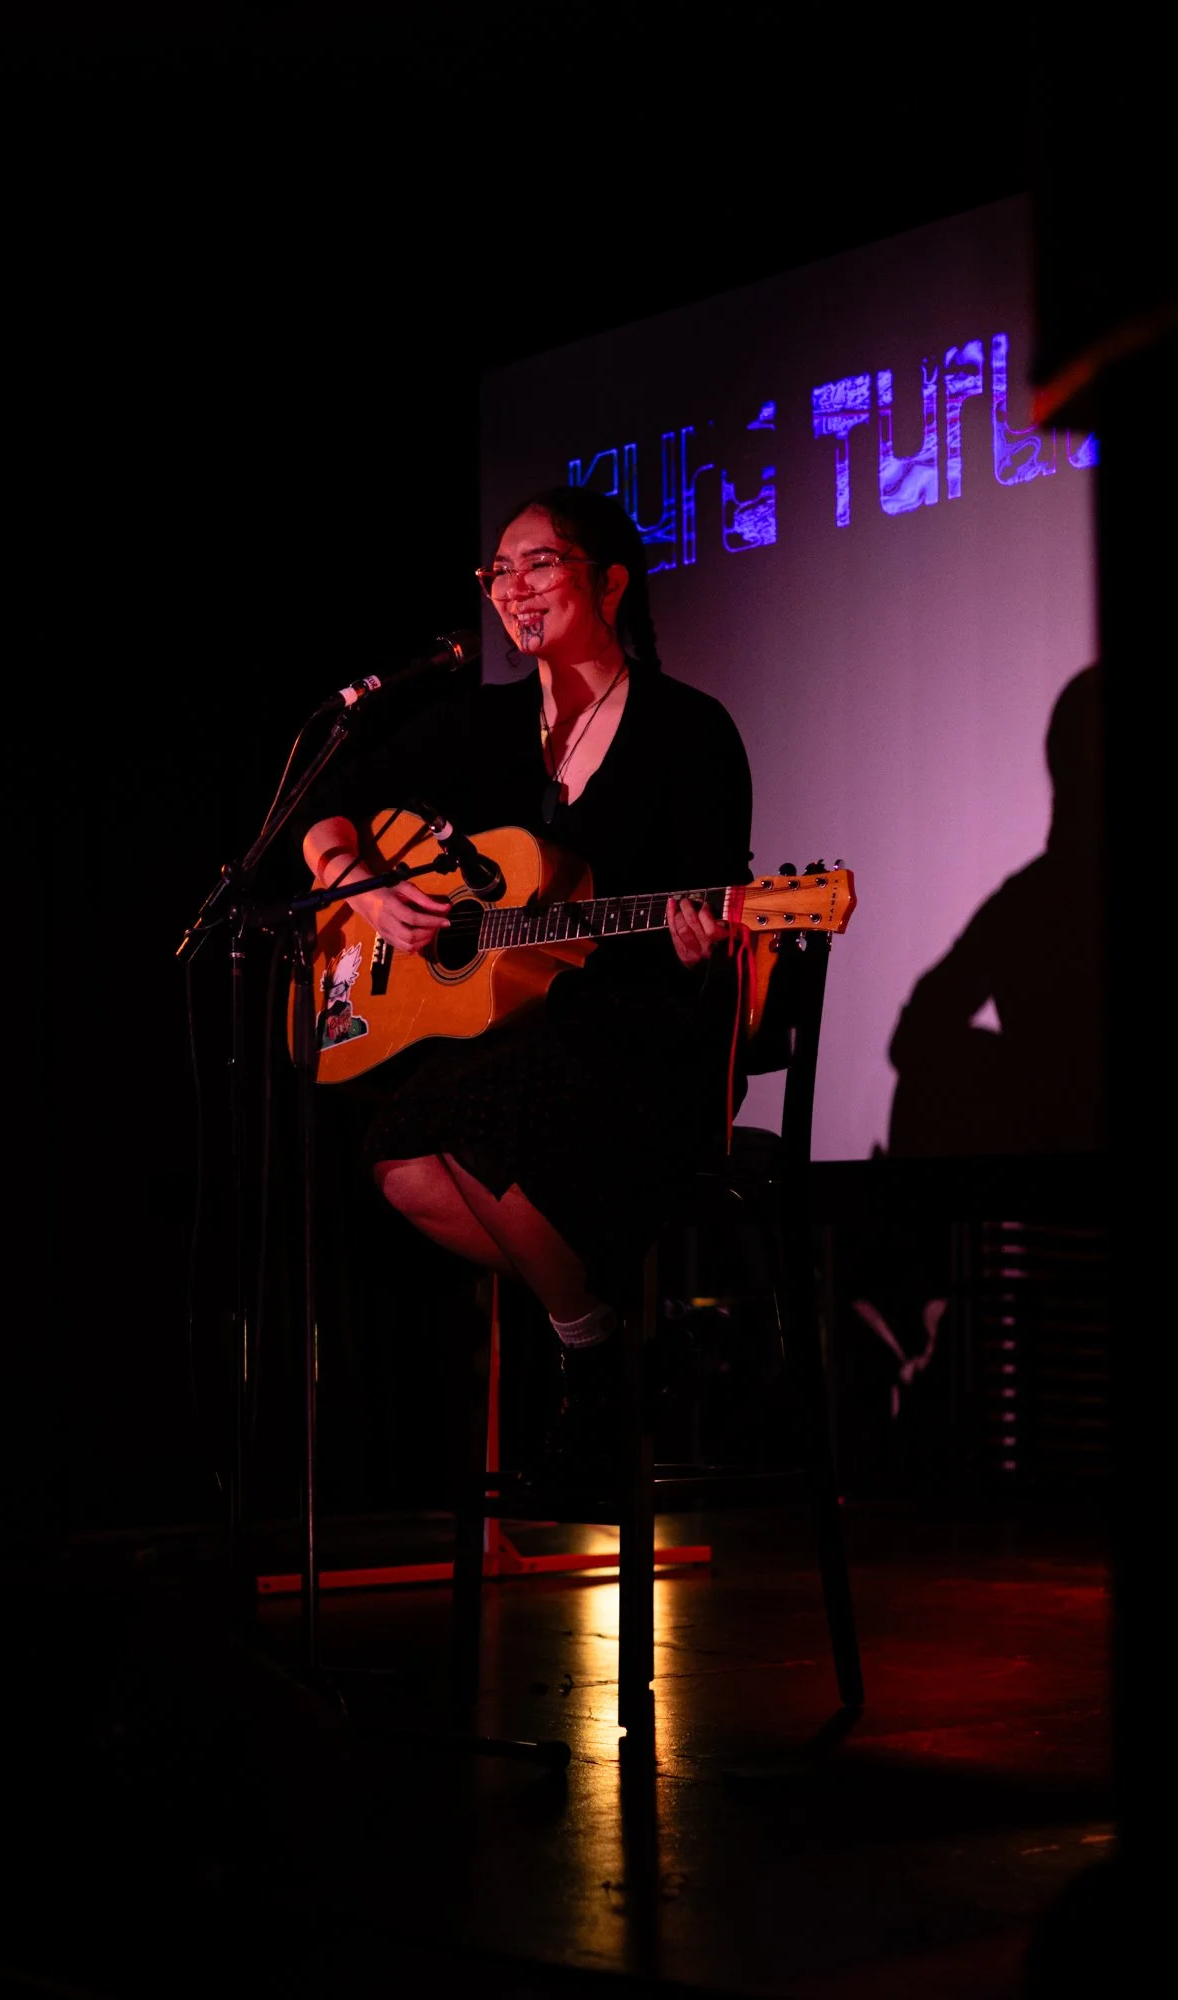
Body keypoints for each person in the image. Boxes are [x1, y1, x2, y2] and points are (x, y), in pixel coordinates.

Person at [299, 485, 754, 1480]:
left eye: (537, 563)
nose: (511, 588)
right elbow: (323, 811)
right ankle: (606, 1318)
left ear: (610, 582)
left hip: (641, 1038)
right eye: (497, 571)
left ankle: (591, 1350)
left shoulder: (688, 729)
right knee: (396, 1158)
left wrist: (701, 943)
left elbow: (718, 900)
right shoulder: (477, 725)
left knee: (463, 1120)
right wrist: (359, 886)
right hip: (513, 1046)